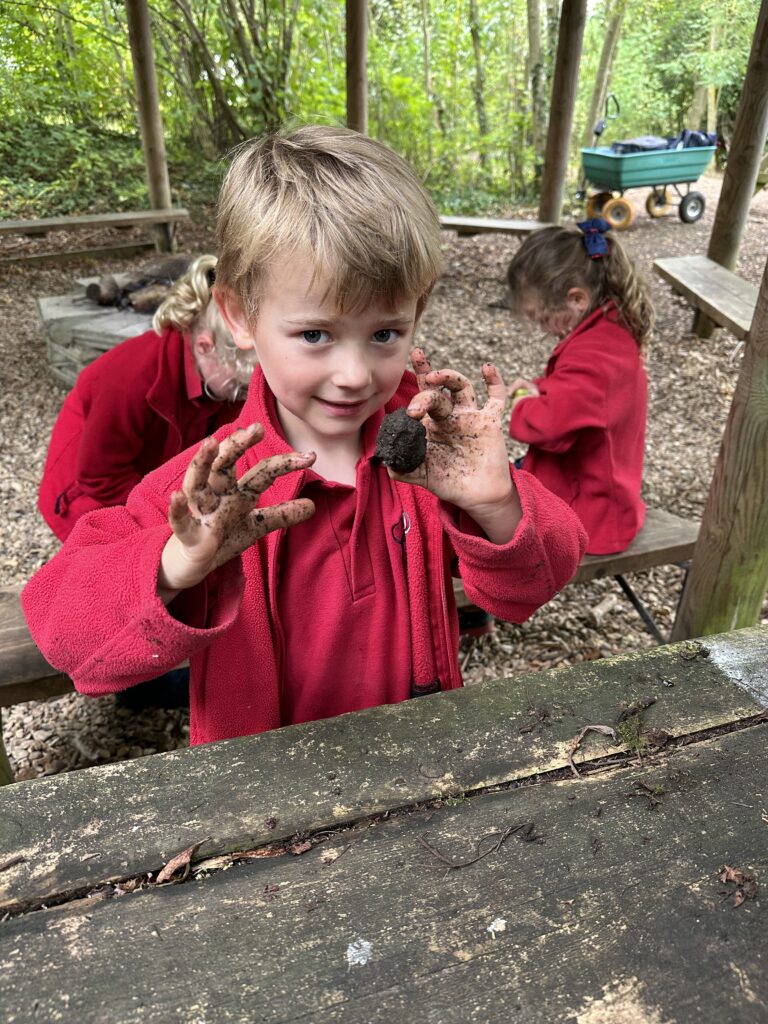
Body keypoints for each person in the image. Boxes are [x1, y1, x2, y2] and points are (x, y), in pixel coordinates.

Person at [22, 125, 587, 746]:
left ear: (416, 315)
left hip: (422, 774)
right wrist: (176, 563)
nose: (353, 375)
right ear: (240, 315)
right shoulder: (213, 489)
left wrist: (496, 501)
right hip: (270, 812)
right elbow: (62, 631)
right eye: (315, 335)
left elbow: (538, 581)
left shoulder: (429, 460)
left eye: (384, 334)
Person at [38, 254, 257, 542]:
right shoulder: (128, 378)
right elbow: (100, 478)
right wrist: (174, 518)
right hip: (86, 494)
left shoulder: (220, 377)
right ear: (205, 347)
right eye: (239, 387)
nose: (243, 396)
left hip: (154, 477)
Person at [506, 219, 654, 556]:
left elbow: (549, 429)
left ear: (576, 299)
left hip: (591, 515)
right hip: (592, 493)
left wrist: (522, 400)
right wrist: (540, 386)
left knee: (480, 512)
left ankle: (475, 606)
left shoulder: (596, 357)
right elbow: (578, 394)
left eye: (542, 318)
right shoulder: (609, 333)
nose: (545, 329)